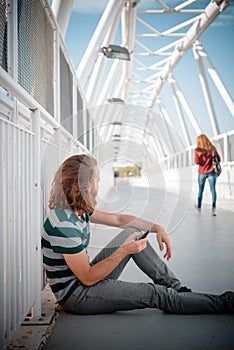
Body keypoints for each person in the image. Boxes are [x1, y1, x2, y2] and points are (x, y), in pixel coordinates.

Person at [41, 154, 233, 315]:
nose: (99, 186)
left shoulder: (77, 210)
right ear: (85, 185)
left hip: (84, 281)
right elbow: (88, 278)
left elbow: (119, 220)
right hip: (77, 296)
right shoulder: (64, 225)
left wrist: (156, 227)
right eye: (97, 181)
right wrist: (123, 251)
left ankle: (178, 290)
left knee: (133, 233)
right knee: (155, 294)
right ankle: (226, 303)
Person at [194, 134, 221, 216]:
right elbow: (218, 159)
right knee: (213, 190)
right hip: (211, 172)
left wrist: (199, 155)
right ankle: (214, 209)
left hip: (202, 173)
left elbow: (196, 162)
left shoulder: (197, 151)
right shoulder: (212, 149)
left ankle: (199, 207)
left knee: (200, 190)